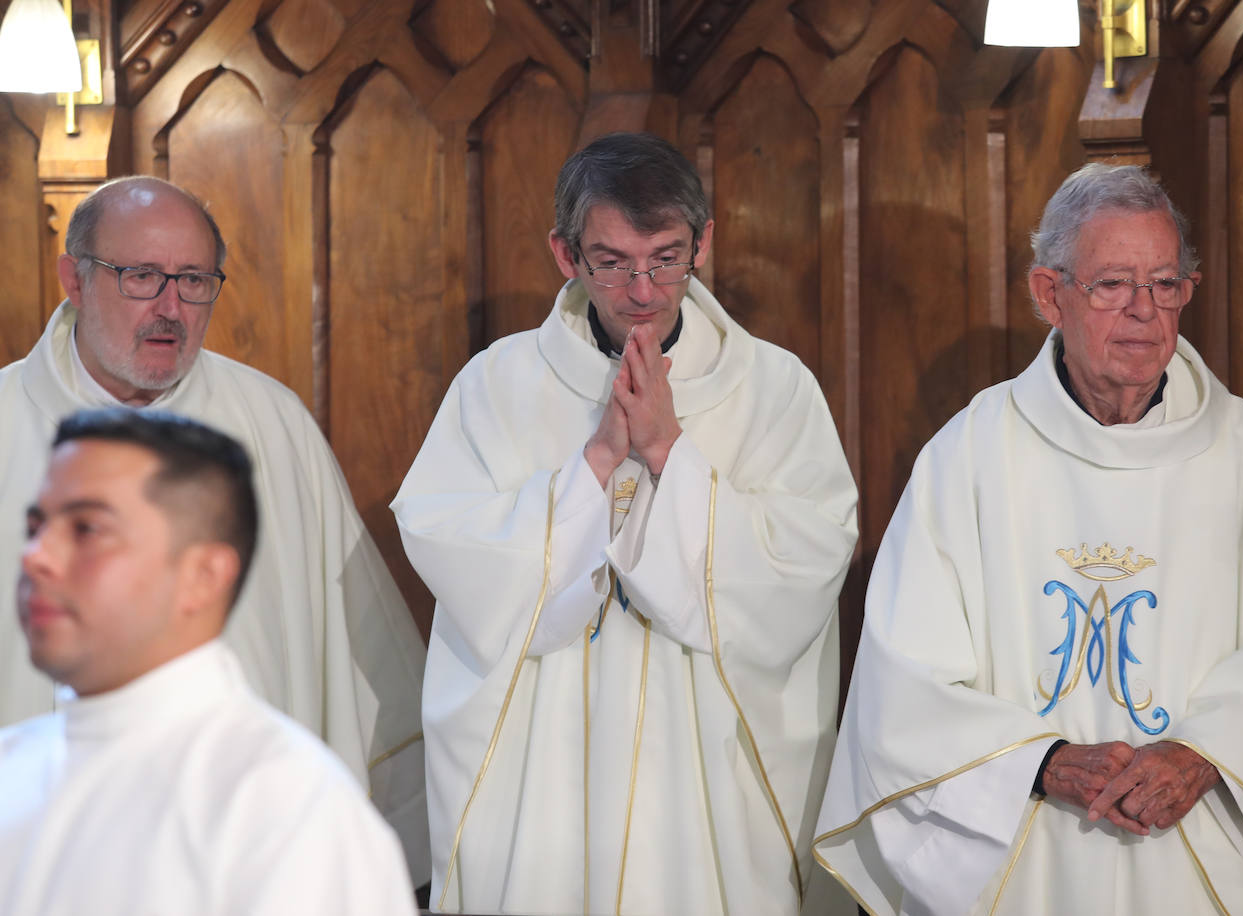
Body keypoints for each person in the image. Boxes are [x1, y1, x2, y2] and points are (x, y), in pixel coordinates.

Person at [814, 162, 1243, 914]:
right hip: (1028, 849)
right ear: (1050, 295)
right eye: (1112, 284)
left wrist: (1205, 755)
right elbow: (904, 680)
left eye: (1165, 284)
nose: (1143, 312)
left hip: (1203, 851)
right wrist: (1040, 764)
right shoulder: (970, 457)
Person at [392, 132, 858, 915]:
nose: (643, 289)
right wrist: (599, 463)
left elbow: (805, 564)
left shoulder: (775, 388)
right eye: (611, 261)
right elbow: (450, 544)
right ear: (565, 255)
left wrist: (672, 454)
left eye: (666, 257)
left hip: (702, 771)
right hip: (543, 766)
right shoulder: (496, 385)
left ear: (703, 243)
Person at [0, 176, 428, 881]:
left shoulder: (273, 424)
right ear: (73, 280)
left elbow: (357, 653)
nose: (171, 308)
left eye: (194, 281)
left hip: (239, 838)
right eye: (141, 277)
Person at [0, 408, 417, 915]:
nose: (36, 556)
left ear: (203, 576)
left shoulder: (283, 809)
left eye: (86, 528)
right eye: (36, 526)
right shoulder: (12, 761)